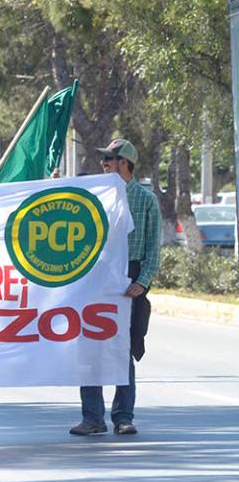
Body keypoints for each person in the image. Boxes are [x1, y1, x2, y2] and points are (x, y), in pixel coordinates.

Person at [71, 139, 159, 436]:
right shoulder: (94, 195)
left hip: (130, 277)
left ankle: (123, 415)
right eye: (104, 158)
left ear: (125, 163)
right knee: (89, 347)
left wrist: (142, 282)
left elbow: (152, 248)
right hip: (96, 276)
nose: (104, 163)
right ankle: (92, 416)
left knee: (122, 349)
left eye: (110, 158)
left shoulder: (146, 200)